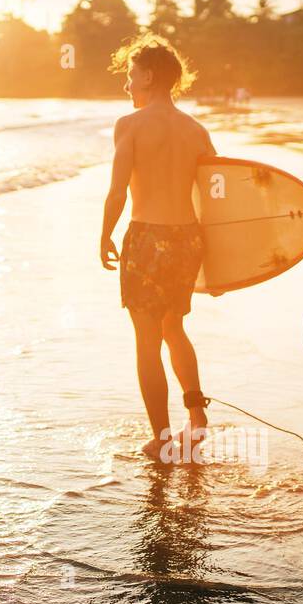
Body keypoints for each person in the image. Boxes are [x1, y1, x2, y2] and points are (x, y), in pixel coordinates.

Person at [99, 34, 216, 462]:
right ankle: (197, 418)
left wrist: (104, 234)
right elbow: (217, 200)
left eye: (131, 76)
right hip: (187, 240)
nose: (127, 86)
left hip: (148, 238)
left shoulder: (129, 126)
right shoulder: (197, 130)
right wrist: (220, 263)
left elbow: (117, 194)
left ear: (148, 76)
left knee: (148, 341)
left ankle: (163, 439)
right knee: (174, 328)